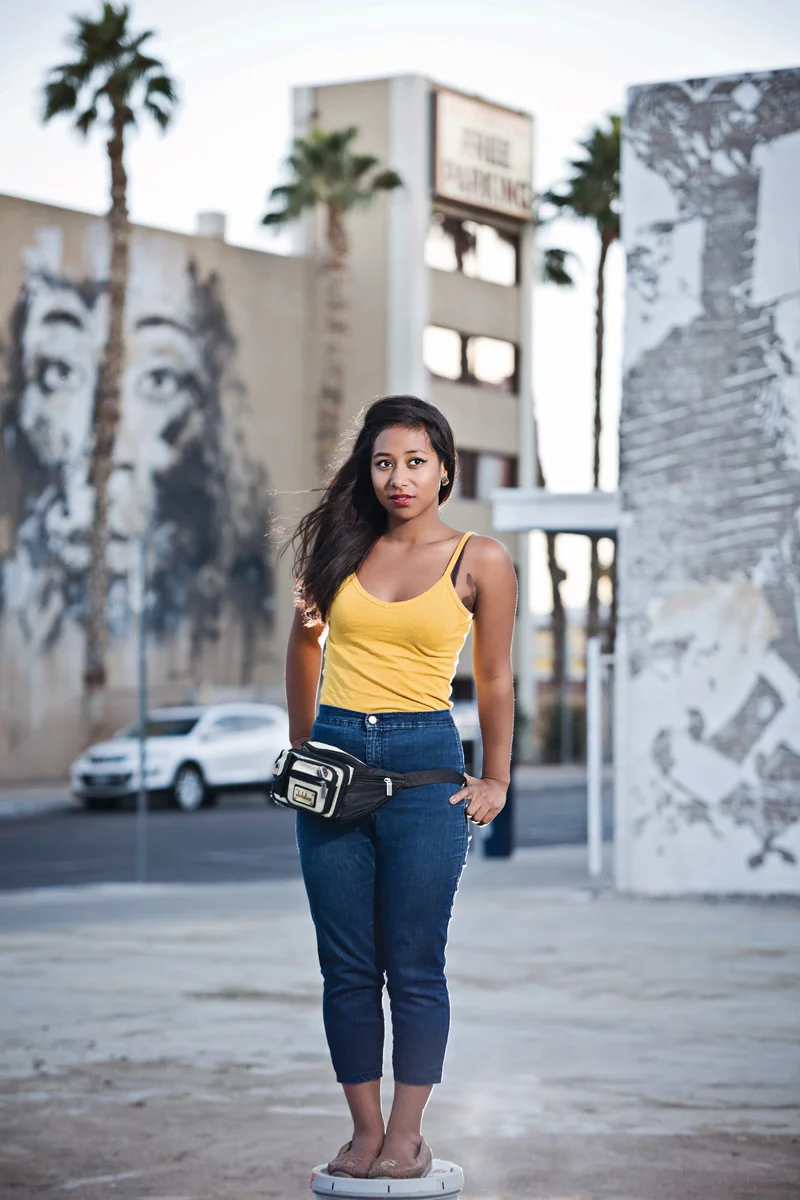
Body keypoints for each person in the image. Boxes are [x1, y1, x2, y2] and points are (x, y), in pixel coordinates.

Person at [284, 394, 516, 1180]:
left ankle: (407, 1136)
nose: (398, 477)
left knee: (415, 961)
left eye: (416, 461)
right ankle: (363, 1131)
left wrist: (496, 778)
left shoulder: (479, 559)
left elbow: (493, 675)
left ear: (445, 469)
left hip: (424, 765)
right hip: (337, 755)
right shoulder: (341, 548)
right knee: (345, 964)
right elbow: (305, 649)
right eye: (384, 461)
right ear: (368, 469)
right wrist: (302, 749)